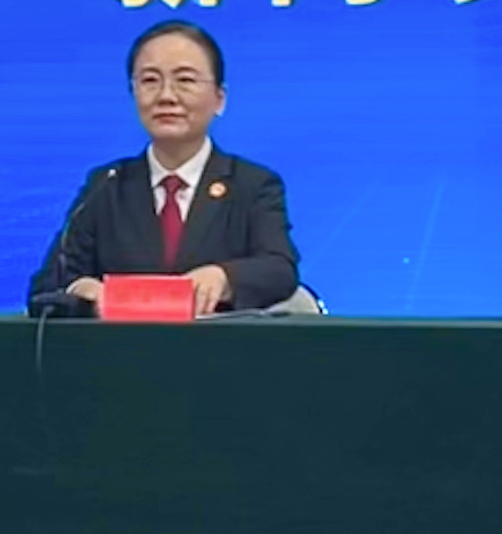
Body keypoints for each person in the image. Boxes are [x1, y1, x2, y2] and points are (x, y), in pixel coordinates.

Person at [27, 18, 299, 317]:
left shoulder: (252, 184)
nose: (166, 96)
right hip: (122, 345)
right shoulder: (107, 184)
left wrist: (224, 277)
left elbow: (280, 269)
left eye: (185, 80)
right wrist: (81, 288)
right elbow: (49, 281)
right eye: (150, 81)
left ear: (219, 99)